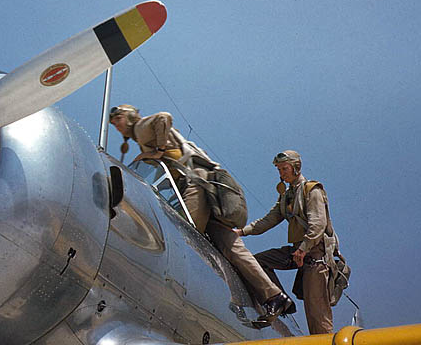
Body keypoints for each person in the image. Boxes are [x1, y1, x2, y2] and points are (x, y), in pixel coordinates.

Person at [109, 105, 293, 324]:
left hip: (195, 187)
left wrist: (156, 149)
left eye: (117, 120)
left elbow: (163, 117)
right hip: (206, 191)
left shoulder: (140, 128)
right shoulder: (140, 135)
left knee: (181, 236)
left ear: (127, 116)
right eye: (113, 124)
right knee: (231, 246)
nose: (117, 126)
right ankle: (274, 296)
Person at [233, 150, 337, 334]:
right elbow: (268, 220)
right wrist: (242, 231)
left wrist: (304, 248)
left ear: (296, 167)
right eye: (279, 170)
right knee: (257, 263)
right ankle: (279, 300)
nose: (282, 173)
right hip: (298, 252)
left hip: (315, 257)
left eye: (285, 168)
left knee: (317, 317)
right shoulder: (286, 197)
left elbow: (318, 224)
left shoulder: (312, 190)